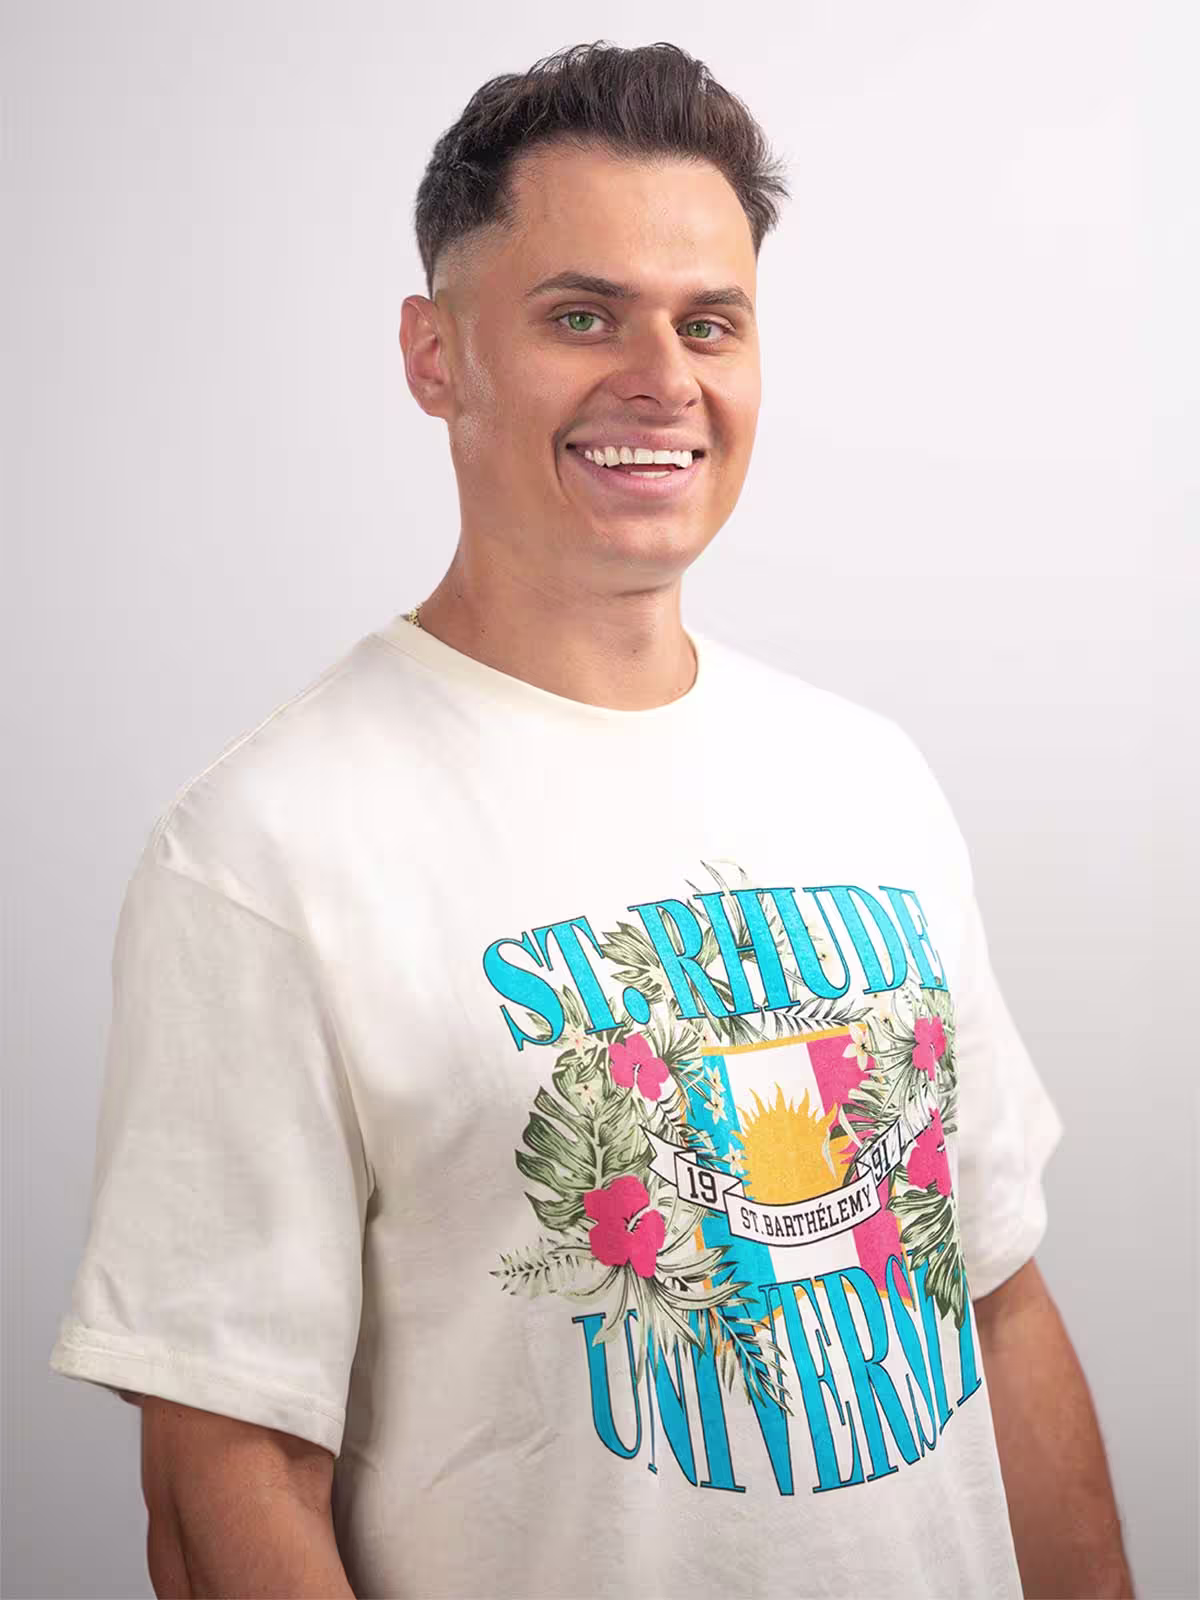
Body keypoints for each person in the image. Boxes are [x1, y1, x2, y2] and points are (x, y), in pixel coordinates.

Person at [49, 39, 1134, 1600]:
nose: (663, 379)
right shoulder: (263, 852)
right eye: (582, 316)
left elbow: (999, 1300)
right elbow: (226, 1478)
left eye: (710, 323)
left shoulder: (869, 777)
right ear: (435, 355)